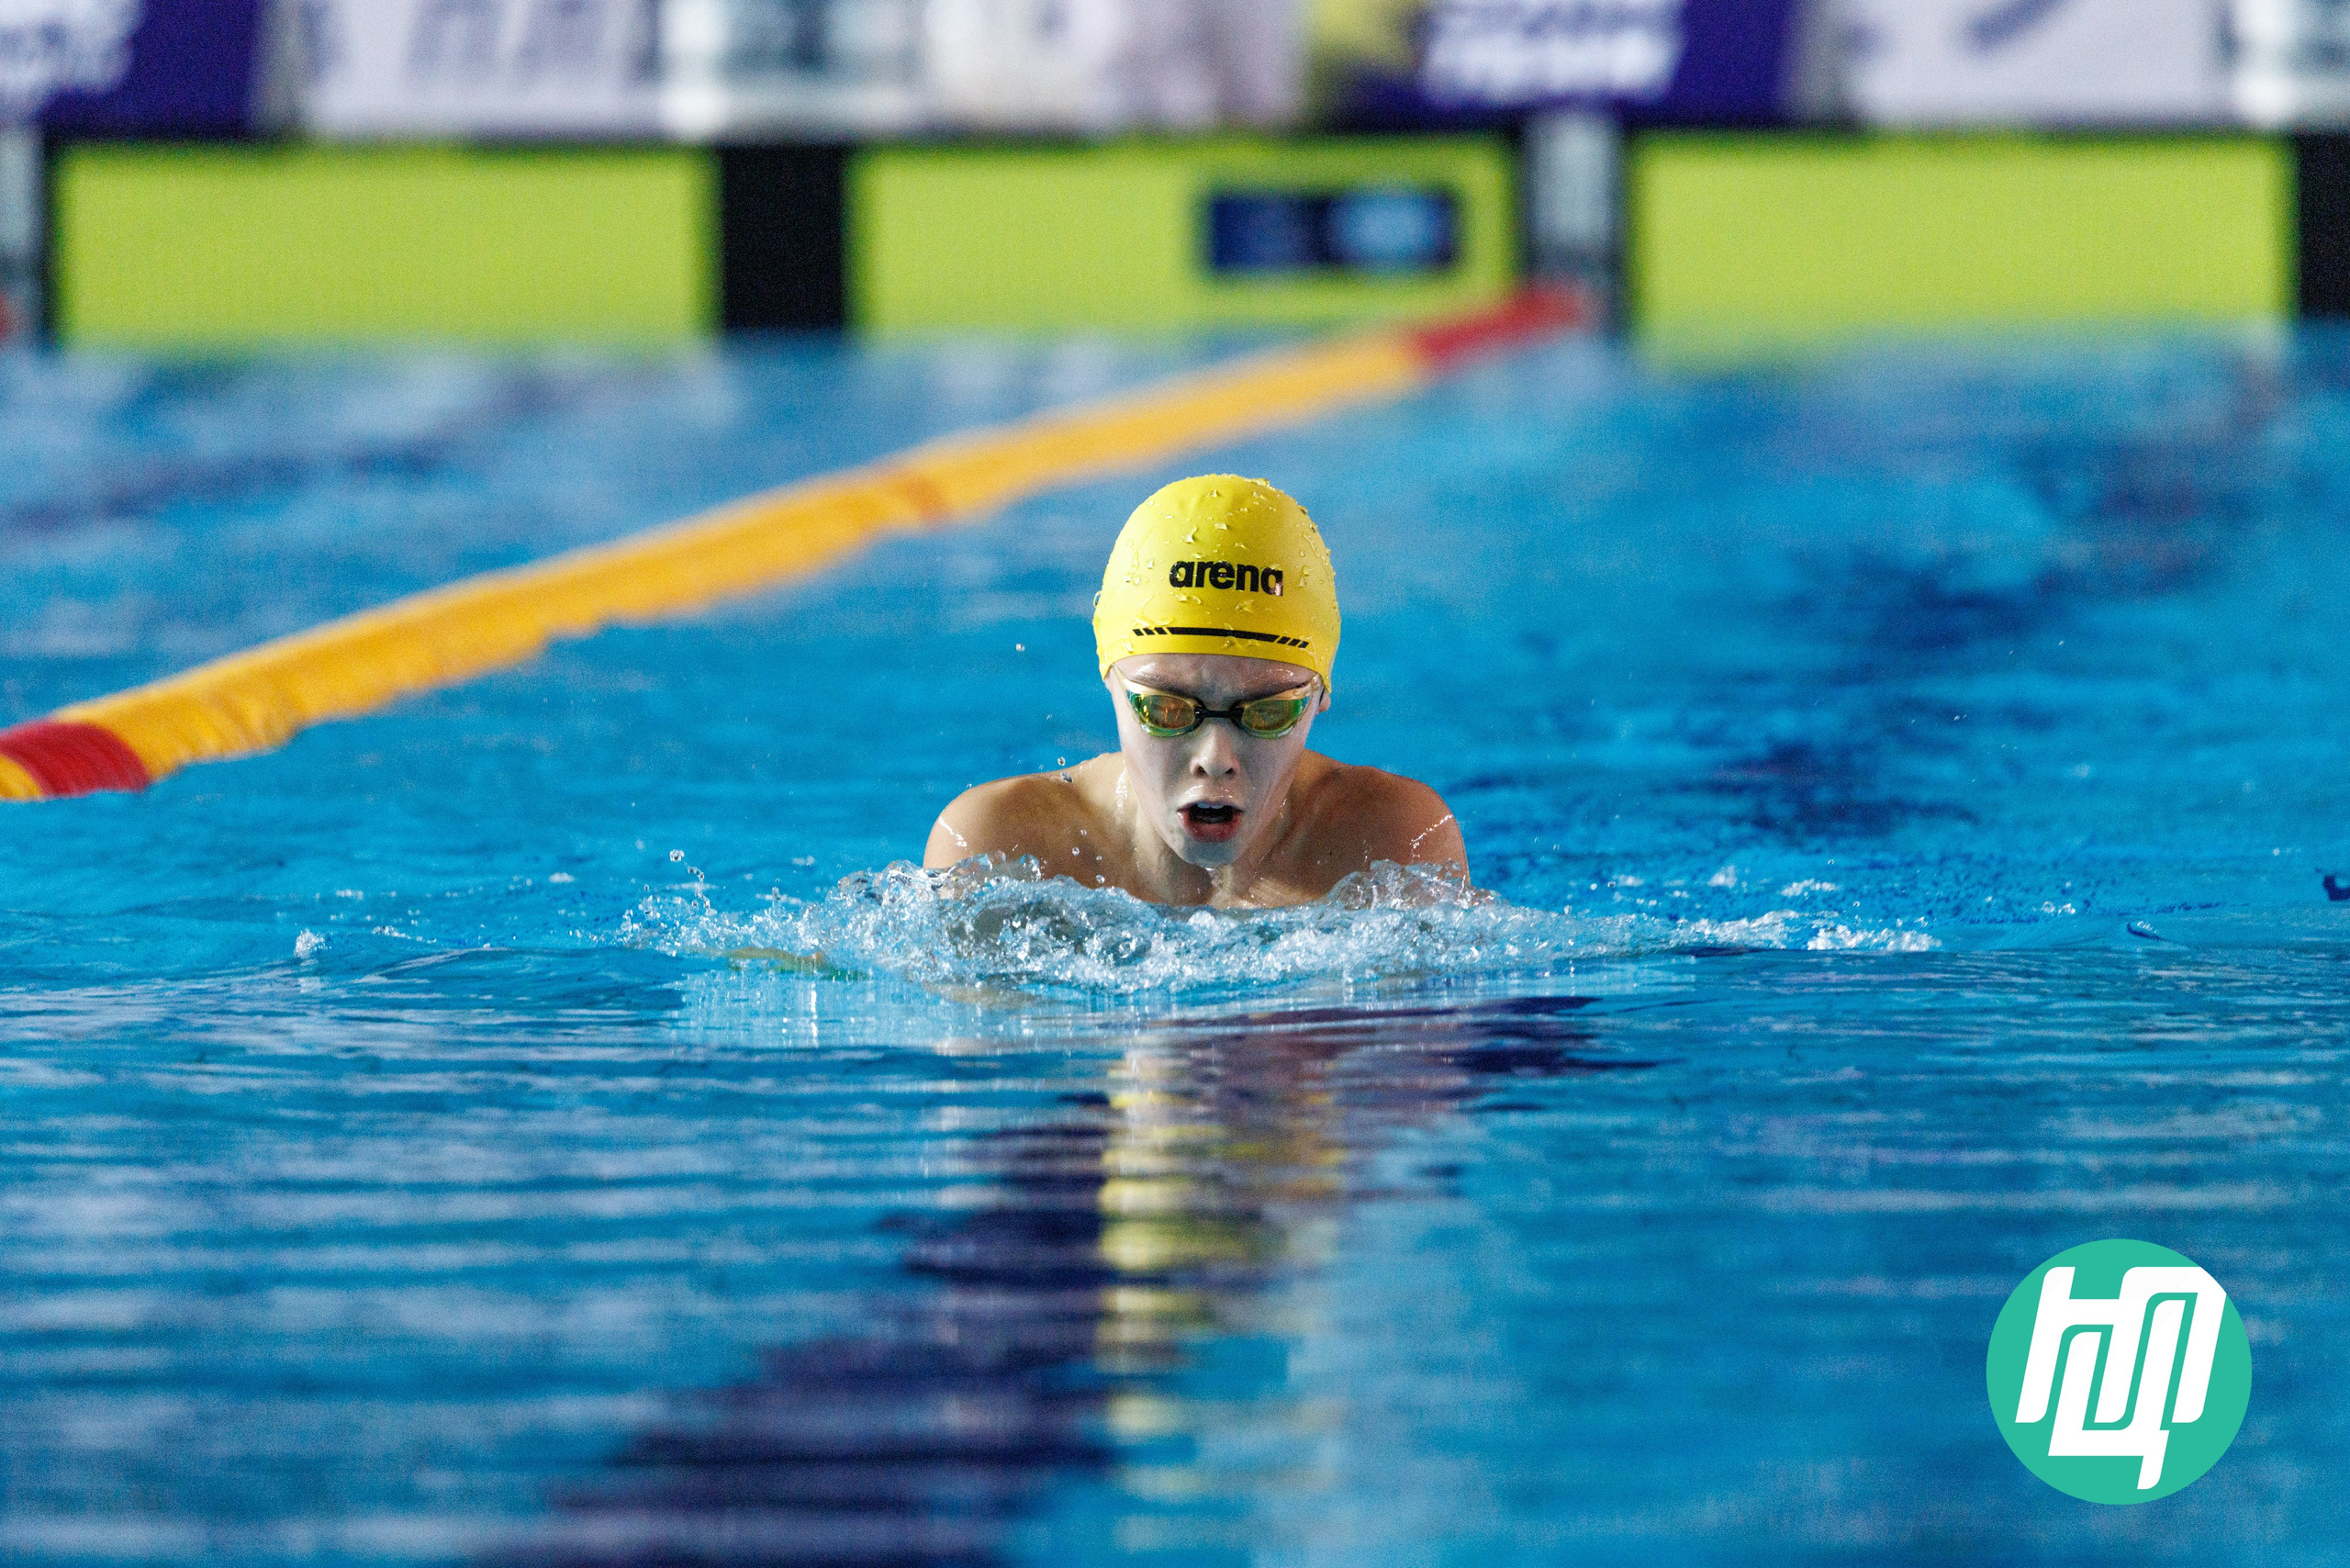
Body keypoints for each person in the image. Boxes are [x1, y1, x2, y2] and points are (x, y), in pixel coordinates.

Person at [924, 475, 1467, 907]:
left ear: (1321, 695)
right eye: (1166, 707)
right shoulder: (998, 851)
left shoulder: (1391, 849)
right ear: (1109, 677)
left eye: (1268, 711)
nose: (1215, 758)